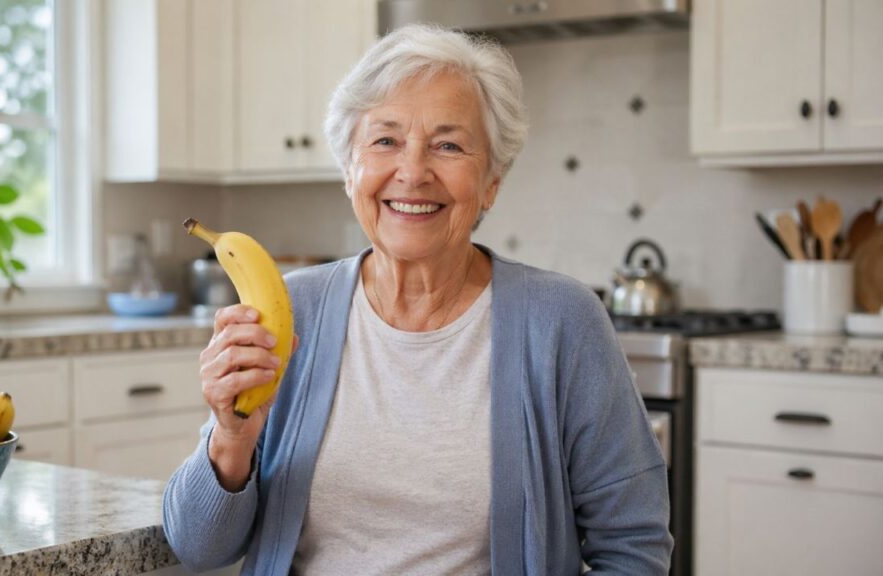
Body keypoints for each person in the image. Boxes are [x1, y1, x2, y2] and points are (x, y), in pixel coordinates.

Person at [163, 24, 672, 575]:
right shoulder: (291, 311)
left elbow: (634, 549)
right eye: (385, 140)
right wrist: (231, 438)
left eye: (448, 145)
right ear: (348, 168)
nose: (412, 172)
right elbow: (198, 547)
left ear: (491, 182)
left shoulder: (562, 321)